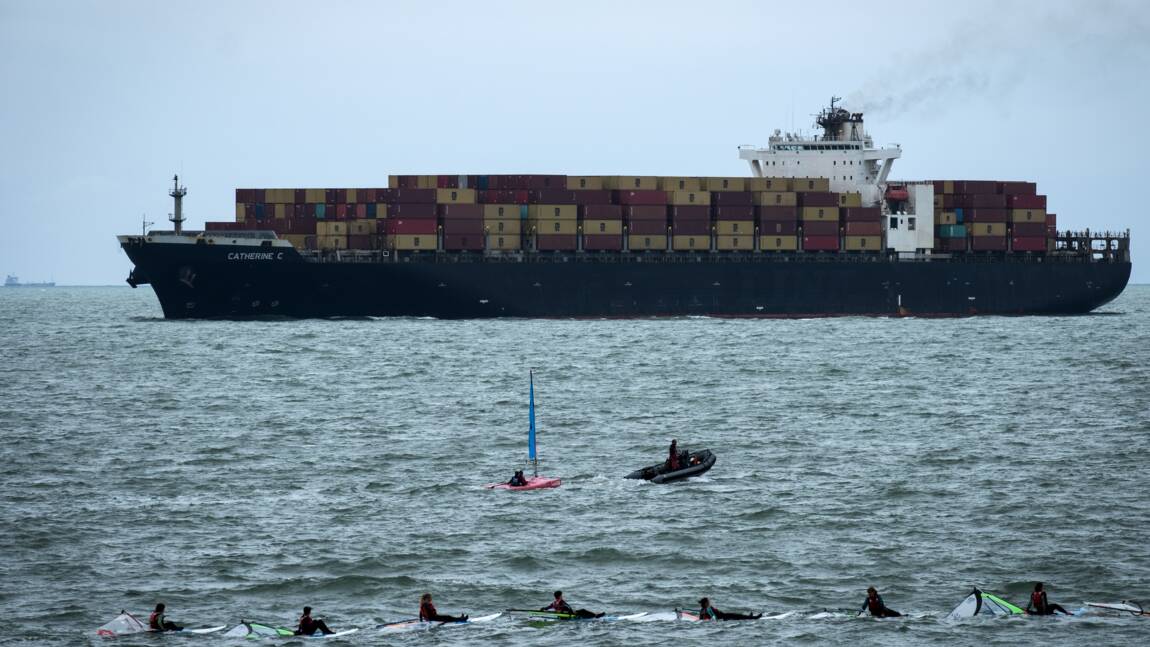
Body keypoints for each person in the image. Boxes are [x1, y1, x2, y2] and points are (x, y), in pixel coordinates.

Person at [697, 597, 762, 621]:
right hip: (724, 617)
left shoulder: (702, 610)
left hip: (724, 616)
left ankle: (749, 617)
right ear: (705, 603)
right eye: (708, 602)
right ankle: (754, 618)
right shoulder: (708, 609)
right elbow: (714, 618)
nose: (710, 602)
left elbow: (701, 618)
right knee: (738, 616)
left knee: (738, 616)